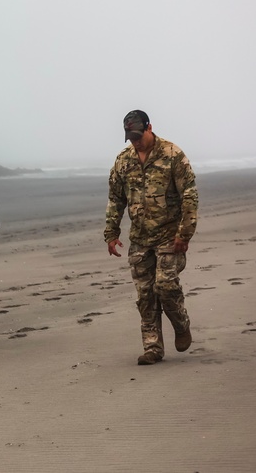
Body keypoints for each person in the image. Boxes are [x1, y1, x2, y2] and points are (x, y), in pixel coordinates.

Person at [105, 110, 198, 366]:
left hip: (170, 235)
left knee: (165, 286)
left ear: (149, 128)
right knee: (145, 294)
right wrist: (111, 232)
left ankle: (181, 324)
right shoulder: (123, 161)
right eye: (130, 137)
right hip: (140, 238)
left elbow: (189, 195)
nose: (134, 141)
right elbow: (115, 199)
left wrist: (185, 233)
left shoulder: (172, 155)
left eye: (137, 135)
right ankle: (152, 348)